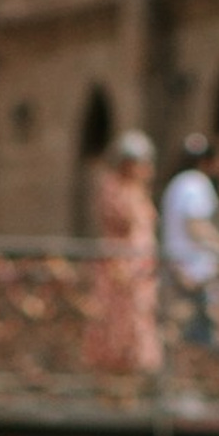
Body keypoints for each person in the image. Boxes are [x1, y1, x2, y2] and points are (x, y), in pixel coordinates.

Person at [82, 129, 162, 379]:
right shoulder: (115, 189)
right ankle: (114, 389)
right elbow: (118, 230)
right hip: (121, 270)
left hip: (141, 270)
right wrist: (120, 267)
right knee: (117, 327)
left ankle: (132, 388)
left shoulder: (137, 191)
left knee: (139, 326)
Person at [160, 133, 219, 350]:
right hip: (195, 273)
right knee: (201, 341)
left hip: (179, 268)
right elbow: (196, 227)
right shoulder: (196, 183)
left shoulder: (178, 183)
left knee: (180, 336)